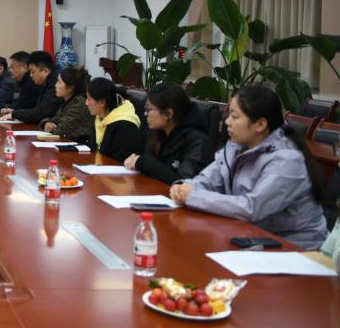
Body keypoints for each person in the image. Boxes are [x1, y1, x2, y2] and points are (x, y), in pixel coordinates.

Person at [170, 86, 328, 250]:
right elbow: (207, 180)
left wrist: (193, 196)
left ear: (260, 124)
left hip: (296, 250)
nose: (227, 122)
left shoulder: (288, 161)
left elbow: (252, 208)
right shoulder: (236, 147)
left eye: (234, 116)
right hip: (252, 238)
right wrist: (183, 188)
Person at [124, 83, 214, 185]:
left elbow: (184, 184)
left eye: (149, 109)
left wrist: (145, 162)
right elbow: (143, 162)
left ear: (168, 113)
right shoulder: (157, 132)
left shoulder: (198, 141)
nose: (145, 114)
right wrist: (134, 161)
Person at [86, 78, 144, 161]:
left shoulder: (125, 126)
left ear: (102, 102)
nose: (86, 103)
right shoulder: (101, 118)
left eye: (89, 99)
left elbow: (121, 161)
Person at [0, 51, 59, 124]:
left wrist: (14, 114)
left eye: (33, 72)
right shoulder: (46, 83)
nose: (30, 75)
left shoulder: (56, 85)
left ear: (45, 71)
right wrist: (16, 112)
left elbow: (42, 113)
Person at [39, 66, 93, 143]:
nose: (56, 85)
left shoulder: (80, 104)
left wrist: (49, 126)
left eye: (59, 82)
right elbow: (54, 120)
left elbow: (60, 131)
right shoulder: (68, 101)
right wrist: (45, 123)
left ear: (70, 88)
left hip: (83, 146)